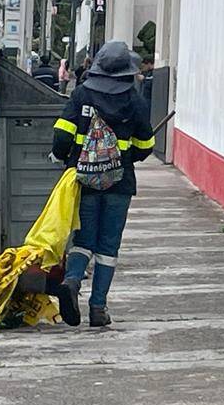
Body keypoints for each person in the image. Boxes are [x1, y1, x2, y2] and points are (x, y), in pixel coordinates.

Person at [51, 41, 155, 328]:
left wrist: (67, 159)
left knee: (84, 240)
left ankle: (71, 281)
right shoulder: (134, 101)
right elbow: (146, 146)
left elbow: (61, 136)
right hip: (119, 185)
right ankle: (98, 308)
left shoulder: (82, 94)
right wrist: (124, 156)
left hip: (84, 181)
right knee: (108, 246)